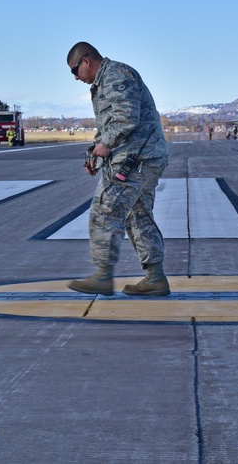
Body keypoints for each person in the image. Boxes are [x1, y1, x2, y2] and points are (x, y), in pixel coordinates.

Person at [65, 42, 171, 297]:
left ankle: (103, 275)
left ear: (87, 61)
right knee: (138, 215)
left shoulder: (115, 75)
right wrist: (96, 152)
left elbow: (126, 118)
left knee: (104, 210)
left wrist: (107, 144)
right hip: (143, 157)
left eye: (74, 70)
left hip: (137, 158)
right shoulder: (103, 83)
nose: (76, 77)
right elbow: (109, 125)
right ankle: (156, 277)